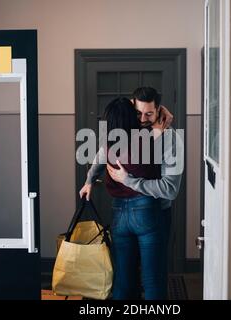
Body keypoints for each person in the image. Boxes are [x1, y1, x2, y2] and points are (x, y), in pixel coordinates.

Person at [79, 87, 184, 299]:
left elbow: (170, 189)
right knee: (134, 279)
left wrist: (129, 181)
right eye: (138, 113)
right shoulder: (125, 133)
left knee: (141, 278)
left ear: (158, 112)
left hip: (153, 211)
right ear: (131, 107)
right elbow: (101, 155)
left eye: (149, 114)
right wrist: (89, 179)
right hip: (129, 212)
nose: (143, 119)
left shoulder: (168, 139)